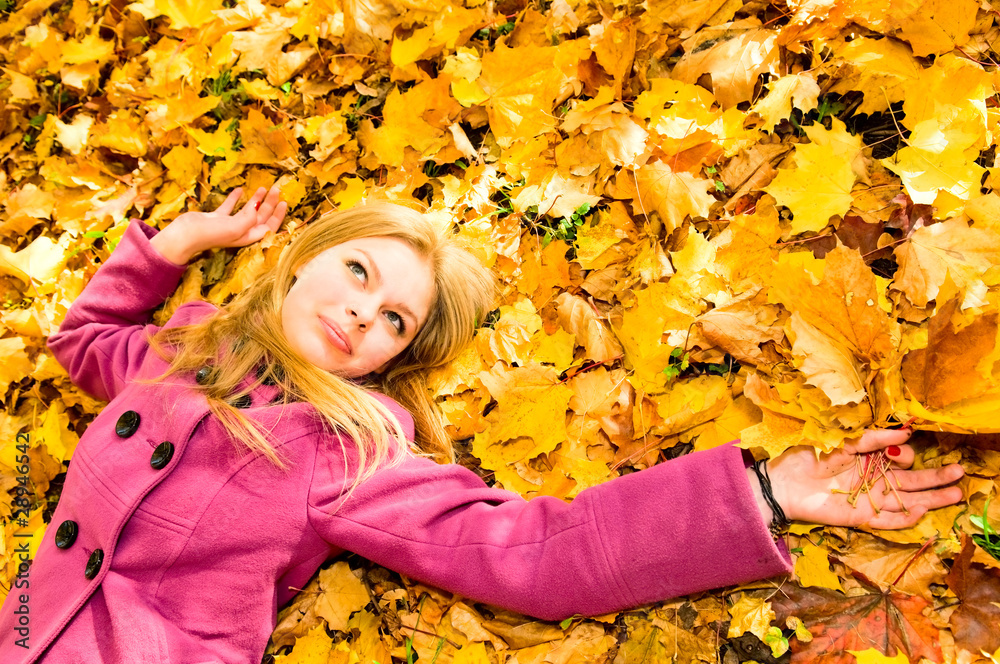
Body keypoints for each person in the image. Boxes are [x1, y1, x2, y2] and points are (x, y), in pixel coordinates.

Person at [0, 186, 965, 664]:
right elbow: (87, 338)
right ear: (308, 261)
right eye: (360, 274)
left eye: (393, 322)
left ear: (392, 359)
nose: (360, 317)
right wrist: (185, 241)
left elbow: (531, 550)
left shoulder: (350, 448)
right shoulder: (189, 345)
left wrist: (766, 489)